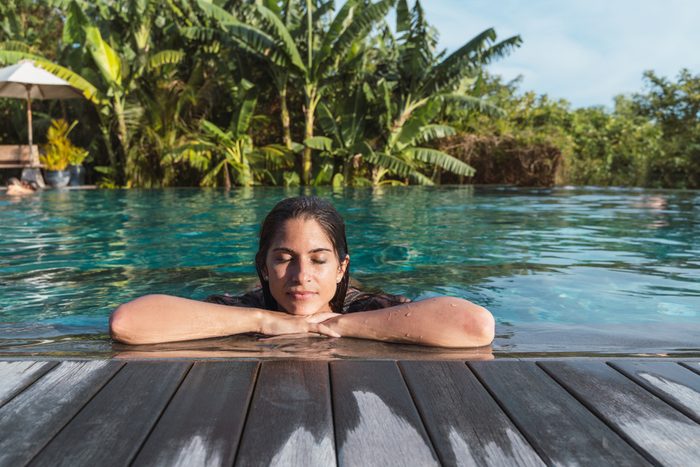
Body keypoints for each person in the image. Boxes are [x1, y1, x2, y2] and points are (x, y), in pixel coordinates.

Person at [109, 196, 495, 348]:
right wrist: (265, 319)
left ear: (342, 268)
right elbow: (128, 322)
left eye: (318, 259)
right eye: (283, 258)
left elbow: (475, 326)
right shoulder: (243, 307)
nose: (300, 275)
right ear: (263, 264)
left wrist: (336, 325)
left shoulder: (369, 306)